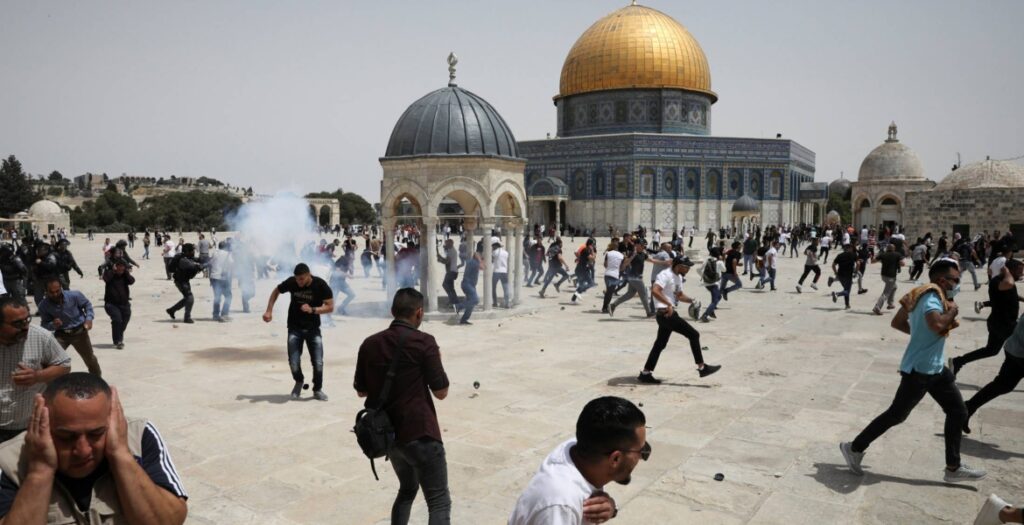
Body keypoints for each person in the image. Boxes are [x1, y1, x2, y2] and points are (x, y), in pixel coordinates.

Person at [840, 259, 986, 482]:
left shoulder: (921, 294)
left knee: (958, 412)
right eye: (956, 280)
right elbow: (937, 325)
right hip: (920, 371)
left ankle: (953, 468)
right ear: (942, 280)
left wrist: (919, 334)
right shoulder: (931, 298)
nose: (958, 284)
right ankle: (854, 448)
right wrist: (953, 312)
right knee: (896, 415)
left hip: (935, 368)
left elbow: (898, 322)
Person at [0, 373, 188, 523]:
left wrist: (121, 455)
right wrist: (40, 471)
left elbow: (169, 521)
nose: (83, 451)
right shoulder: (8, 460)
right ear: (42, 420)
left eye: (96, 434)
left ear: (112, 418)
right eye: (66, 437)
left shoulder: (139, 436)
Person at [354, 288, 450, 525]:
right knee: (438, 501)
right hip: (420, 433)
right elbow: (441, 392)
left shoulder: (370, 343)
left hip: (390, 436)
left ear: (392, 311)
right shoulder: (424, 342)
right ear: (419, 313)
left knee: (407, 490)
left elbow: (361, 391)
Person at [508, 396, 646, 525]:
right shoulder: (561, 506)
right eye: (640, 451)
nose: (642, 457)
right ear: (615, 459)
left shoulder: (581, 448)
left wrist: (611, 509)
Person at [638, 256, 720, 383]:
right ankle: (702, 367)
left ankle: (645, 373)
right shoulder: (665, 274)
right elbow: (655, 291)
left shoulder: (679, 277)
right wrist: (668, 304)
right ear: (678, 265)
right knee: (694, 335)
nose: (688, 269)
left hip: (667, 314)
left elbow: (679, 295)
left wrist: (692, 300)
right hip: (666, 314)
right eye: (686, 267)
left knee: (660, 344)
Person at [0, 297, 71, 443]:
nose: (25, 327)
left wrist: (38, 376)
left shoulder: (41, 337)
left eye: (27, 320)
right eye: (18, 323)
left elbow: (64, 365)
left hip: (26, 428)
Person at [262, 263, 334, 401]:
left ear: (308, 275)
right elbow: (276, 291)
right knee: (294, 362)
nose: (299, 282)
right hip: (294, 328)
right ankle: (299, 381)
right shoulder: (292, 282)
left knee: (318, 362)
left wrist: (313, 310)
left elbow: (330, 307)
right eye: (297, 279)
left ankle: (317, 389)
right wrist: (269, 310)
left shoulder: (320, 285)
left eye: (301, 279)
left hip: (313, 329)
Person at [949, 259, 1023, 376]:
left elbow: (1009, 293)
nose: (1021, 274)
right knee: (1018, 347)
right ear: (1009, 270)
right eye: (1019, 271)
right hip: (1004, 325)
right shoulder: (998, 281)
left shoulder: (1004, 281)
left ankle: (958, 361)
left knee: (991, 350)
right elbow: (1009, 284)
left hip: (1000, 323)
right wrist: (1006, 271)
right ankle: (1006, 378)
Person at [38, 278, 101, 377]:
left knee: (89, 359)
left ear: (61, 287)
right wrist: (52, 324)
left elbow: (87, 305)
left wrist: (89, 319)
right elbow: (44, 324)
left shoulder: (74, 295)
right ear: (46, 291)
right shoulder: (43, 305)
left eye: (57, 291)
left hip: (79, 332)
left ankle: (97, 380)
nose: (55, 294)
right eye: (51, 292)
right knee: (51, 360)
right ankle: (54, 383)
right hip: (61, 335)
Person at [165, 244, 203, 324]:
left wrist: (202, 259)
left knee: (187, 298)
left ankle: (172, 310)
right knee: (190, 298)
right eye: (192, 251)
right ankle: (187, 318)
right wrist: (202, 266)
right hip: (181, 282)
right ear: (187, 251)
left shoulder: (184, 257)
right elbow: (193, 267)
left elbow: (195, 259)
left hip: (183, 280)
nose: (193, 252)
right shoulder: (183, 260)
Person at [102, 259, 134, 349]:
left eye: (122, 268)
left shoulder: (125, 275)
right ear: (115, 267)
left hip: (124, 304)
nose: (120, 270)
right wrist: (113, 271)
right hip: (111, 304)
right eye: (119, 268)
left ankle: (118, 334)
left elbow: (132, 281)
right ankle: (118, 341)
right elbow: (106, 279)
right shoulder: (109, 274)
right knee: (117, 320)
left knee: (125, 320)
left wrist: (126, 272)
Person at [871, 244, 905, 315]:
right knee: (886, 293)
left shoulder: (883, 254)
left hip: (883, 275)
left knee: (894, 287)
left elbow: (873, 261)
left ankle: (890, 304)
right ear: (894, 248)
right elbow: (902, 264)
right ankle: (877, 307)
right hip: (891, 277)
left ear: (887, 248)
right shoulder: (897, 254)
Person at [207, 241, 233, 322]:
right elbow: (231, 265)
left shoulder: (215, 253)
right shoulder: (227, 254)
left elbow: (210, 264)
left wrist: (210, 277)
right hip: (223, 278)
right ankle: (224, 315)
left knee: (217, 297)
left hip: (214, 277)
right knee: (228, 296)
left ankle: (215, 315)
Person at [459, 245, 483, 325]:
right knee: (475, 300)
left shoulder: (470, 261)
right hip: (468, 285)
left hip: (469, 285)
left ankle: (464, 319)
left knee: (471, 304)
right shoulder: (474, 262)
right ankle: (459, 306)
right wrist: (479, 259)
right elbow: (483, 267)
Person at [698, 248, 725, 322]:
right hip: (715, 284)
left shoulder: (706, 260)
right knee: (715, 300)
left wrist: (704, 276)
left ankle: (711, 310)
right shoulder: (719, 262)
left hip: (707, 283)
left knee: (718, 296)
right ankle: (705, 315)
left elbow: (698, 270)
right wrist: (722, 261)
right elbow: (724, 270)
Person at [830, 244, 857, 310]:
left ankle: (847, 305)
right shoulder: (853, 255)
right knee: (847, 291)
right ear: (850, 248)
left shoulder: (839, 255)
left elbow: (833, 265)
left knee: (846, 289)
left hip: (840, 275)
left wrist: (836, 273)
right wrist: (856, 272)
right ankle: (837, 294)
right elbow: (858, 264)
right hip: (848, 275)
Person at [601, 242, 625, 314]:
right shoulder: (621, 256)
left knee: (608, 292)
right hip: (615, 275)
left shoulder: (608, 253)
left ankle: (605, 307)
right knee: (610, 293)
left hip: (607, 274)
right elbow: (622, 268)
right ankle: (605, 308)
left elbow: (605, 264)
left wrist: (609, 267)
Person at [330, 250, 356, 315]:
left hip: (342, 282)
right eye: (352, 255)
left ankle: (341, 308)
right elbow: (337, 271)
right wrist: (347, 275)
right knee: (333, 299)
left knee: (352, 294)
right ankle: (327, 316)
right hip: (335, 282)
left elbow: (351, 273)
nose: (354, 257)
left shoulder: (348, 261)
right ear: (348, 255)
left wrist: (350, 265)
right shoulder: (341, 260)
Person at [492, 240, 511, 308]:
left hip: (496, 271)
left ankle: (495, 302)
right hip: (504, 271)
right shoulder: (506, 253)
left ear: (495, 246)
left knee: (493, 288)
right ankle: (507, 303)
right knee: (505, 288)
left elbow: (491, 260)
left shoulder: (494, 252)